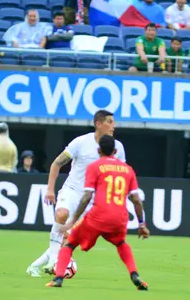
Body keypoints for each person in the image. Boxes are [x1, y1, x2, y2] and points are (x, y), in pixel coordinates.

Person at [27, 110, 126, 277]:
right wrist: (50, 189)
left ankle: (34, 266)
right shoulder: (80, 142)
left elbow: (120, 173)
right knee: (61, 213)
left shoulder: (118, 147)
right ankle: (53, 262)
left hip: (92, 201)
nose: (113, 126)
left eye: (113, 122)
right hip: (72, 190)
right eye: (109, 122)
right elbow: (57, 163)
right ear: (98, 124)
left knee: (68, 238)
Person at [46, 135, 150, 290]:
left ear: (98, 150)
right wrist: (142, 224)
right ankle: (134, 274)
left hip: (98, 215)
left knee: (69, 244)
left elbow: (87, 196)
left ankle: (58, 277)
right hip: (120, 217)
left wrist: (73, 221)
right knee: (121, 244)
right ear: (115, 151)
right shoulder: (128, 170)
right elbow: (136, 199)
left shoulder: (95, 167)